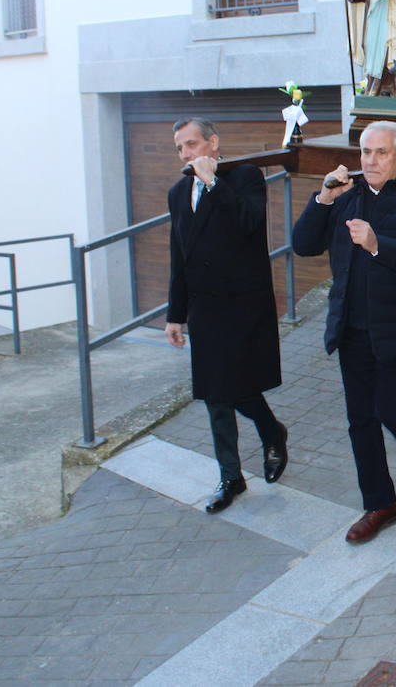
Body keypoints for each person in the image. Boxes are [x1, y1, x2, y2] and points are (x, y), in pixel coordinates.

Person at [290, 121, 396, 544]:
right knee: (361, 419)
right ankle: (379, 504)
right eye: (365, 152)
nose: (371, 160)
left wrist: (379, 245)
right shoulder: (345, 198)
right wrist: (323, 198)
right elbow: (303, 245)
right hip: (351, 328)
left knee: (391, 407)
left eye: (381, 153)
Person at [165, 118, 288, 514]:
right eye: (180, 148)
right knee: (215, 395)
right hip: (205, 309)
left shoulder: (245, 178)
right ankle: (231, 477)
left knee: (236, 386)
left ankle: (271, 430)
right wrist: (175, 315)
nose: (186, 154)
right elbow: (178, 257)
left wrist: (213, 184)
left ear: (213, 143)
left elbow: (250, 225)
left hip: (241, 303)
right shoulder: (177, 193)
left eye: (192, 144)